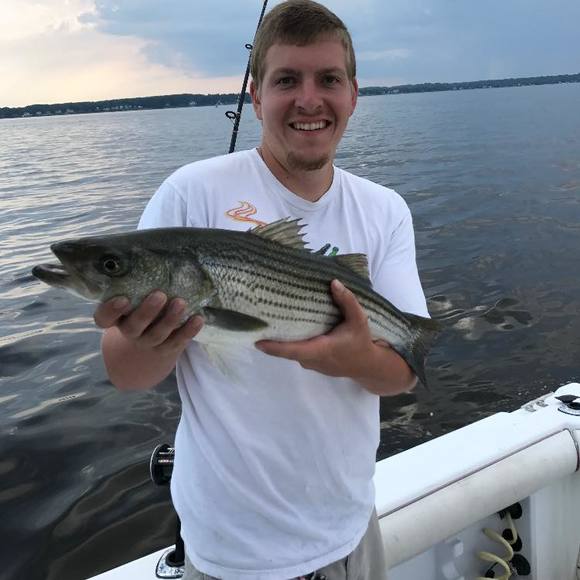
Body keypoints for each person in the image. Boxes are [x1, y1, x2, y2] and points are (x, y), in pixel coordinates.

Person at [95, 1, 429, 578]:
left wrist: (354, 358)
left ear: (354, 94)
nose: (308, 100)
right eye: (286, 80)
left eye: (329, 79)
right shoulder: (190, 192)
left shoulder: (384, 210)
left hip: (349, 527)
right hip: (230, 550)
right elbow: (125, 374)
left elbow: (403, 374)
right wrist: (152, 339)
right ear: (255, 96)